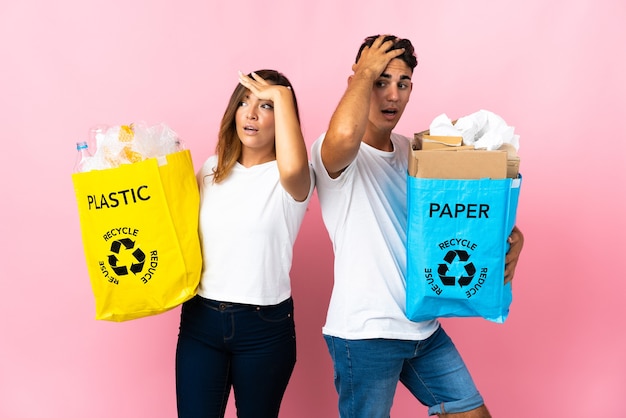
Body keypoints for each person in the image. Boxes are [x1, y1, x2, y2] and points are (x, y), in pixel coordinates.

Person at [311, 35, 524, 417]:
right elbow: (345, 134)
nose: (392, 95)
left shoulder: (417, 154)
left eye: (403, 83)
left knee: (472, 413)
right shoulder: (334, 150)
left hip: (422, 328)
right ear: (356, 82)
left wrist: (511, 239)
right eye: (380, 81)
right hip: (367, 332)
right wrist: (364, 73)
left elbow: (460, 223)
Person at [175, 69, 314, 418]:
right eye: (243, 102)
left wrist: (281, 94)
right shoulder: (210, 170)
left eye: (265, 105)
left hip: (264, 329)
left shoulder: (292, 177)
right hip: (201, 322)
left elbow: (294, 165)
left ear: (283, 115)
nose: (251, 114)